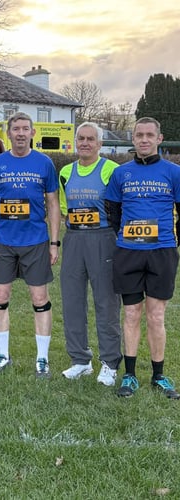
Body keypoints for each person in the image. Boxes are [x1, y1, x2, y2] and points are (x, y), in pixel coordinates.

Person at [105, 117, 180, 399]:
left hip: (162, 253)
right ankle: (130, 375)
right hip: (129, 253)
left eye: (150, 135)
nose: (144, 140)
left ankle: (159, 376)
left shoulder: (173, 172)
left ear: (160, 139)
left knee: (156, 315)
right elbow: (113, 212)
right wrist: (128, 237)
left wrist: (172, 242)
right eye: (139, 135)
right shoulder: (121, 174)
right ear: (132, 139)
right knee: (132, 313)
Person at [0, 112, 60, 378]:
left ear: (32, 133)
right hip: (4, 242)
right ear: (8, 133)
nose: (20, 133)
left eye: (25, 129)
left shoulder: (44, 163)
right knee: (0, 297)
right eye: (15, 129)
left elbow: (52, 204)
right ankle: (2, 355)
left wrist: (54, 242)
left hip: (36, 241)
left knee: (39, 298)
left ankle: (42, 359)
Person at [59, 122, 122, 386]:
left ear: (100, 144)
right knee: (72, 301)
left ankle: (109, 363)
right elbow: (64, 209)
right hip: (74, 239)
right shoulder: (65, 172)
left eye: (90, 139)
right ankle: (80, 360)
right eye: (81, 138)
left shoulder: (112, 170)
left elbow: (120, 207)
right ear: (75, 141)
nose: (85, 143)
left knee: (106, 302)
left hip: (103, 238)